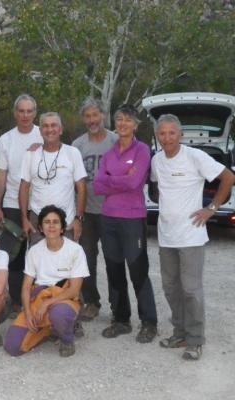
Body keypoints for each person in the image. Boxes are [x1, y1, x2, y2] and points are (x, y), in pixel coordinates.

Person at [151, 114, 235, 360]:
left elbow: (228, 178)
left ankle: (196, 339)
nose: (167, 138)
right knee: (170, 289)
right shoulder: (156, 161)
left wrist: (211, 209)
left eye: (171, 133)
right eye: (162, 134)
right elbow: (157, 187)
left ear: (180, 135)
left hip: (191, 237)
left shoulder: (195, 157)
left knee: (191, 290)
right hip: (166, 237)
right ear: (158, 136)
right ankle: (180, 332)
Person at [94, 104, 158, 343]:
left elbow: (135, 184)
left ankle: (149, 322)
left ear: (136, 125)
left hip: (132, 219)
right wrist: (123, 177)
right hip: (109, 217)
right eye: (119, 119)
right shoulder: (110, 153)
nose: (122, 124)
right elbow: (98, 185)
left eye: (128, 120)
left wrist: (113, 179)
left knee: (138, 270)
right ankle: (121, 320)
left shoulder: (142, 150)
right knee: (114, 270)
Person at [4, 205, 90, 357]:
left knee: (59, 314)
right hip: (39, 297)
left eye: (56, 222)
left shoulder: (75, 250)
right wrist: (29, 312)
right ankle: (47, 329)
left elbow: (74, 290)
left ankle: (66, 339)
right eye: (47, 222)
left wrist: (47, 303)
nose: (51, 226)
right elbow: (26, 287)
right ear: (41, 228)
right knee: (13, 347)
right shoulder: (34, 251)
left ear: (62, 228)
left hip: (65, 298)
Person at [0, 94, 43, 317]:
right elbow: (1, 175)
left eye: (29, 111)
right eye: (21, 111)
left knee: (42, 254)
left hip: (41, 204)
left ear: (35, 112)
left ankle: (41, 299)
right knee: (14, 255)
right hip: (13, 203)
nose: (25, 115)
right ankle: (15, 302)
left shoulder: (45, 133)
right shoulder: (6, 140)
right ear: (15, 113)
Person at [72, 97, 117, 321]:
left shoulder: (116, 141)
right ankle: (91, 302)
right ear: (84, 119)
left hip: (112, 211)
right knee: (87, 259)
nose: (92, 120)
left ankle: (118, 306)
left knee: (113, 259)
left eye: (95, 115)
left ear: (103, 115)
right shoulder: (77, 145)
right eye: (88, 116)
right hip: (87, 212)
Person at [19, 112, 87, 246]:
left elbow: (82, 187)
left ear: (60, 129)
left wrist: (78, 219)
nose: (49, 129)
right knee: (38, 262)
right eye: (45, 126)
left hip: (66, 221)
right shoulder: (30, 154)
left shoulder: (72, 153)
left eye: (53, 125)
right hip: (37, 219)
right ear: (40, 130)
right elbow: (24, 187)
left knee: (66, 264)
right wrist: (24, 219)